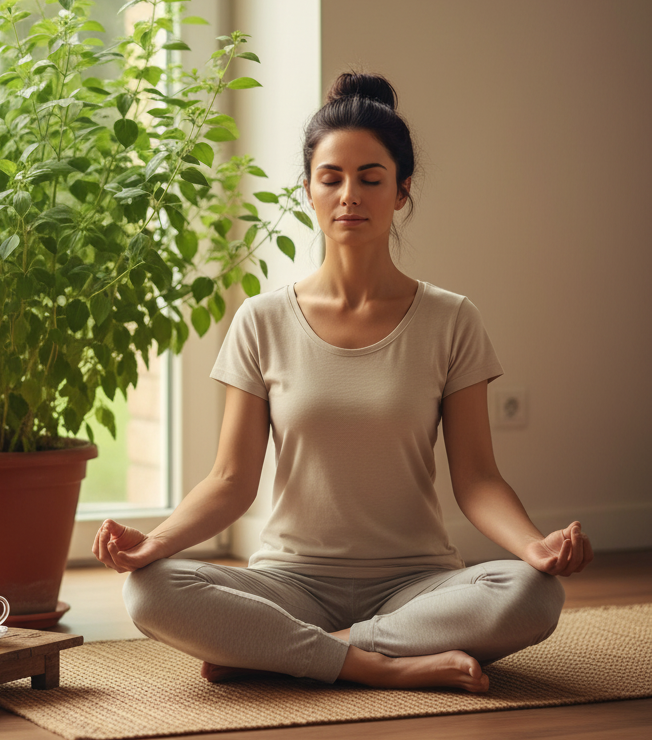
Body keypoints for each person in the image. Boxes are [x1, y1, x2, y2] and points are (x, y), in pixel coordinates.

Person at [92, 72, 593, 693]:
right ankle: (380, 664)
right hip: (288, 584)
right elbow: (230, 480)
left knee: (533, 593)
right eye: (331, 178)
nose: (349, 195)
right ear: (308, 190)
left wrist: (535, 546)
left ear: (402, 191)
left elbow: (478, 479)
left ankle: (289, 651)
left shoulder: (451, 320)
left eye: (370, 178)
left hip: (417, 584)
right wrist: (154, 544)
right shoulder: (261, 320)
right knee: (149, 590)